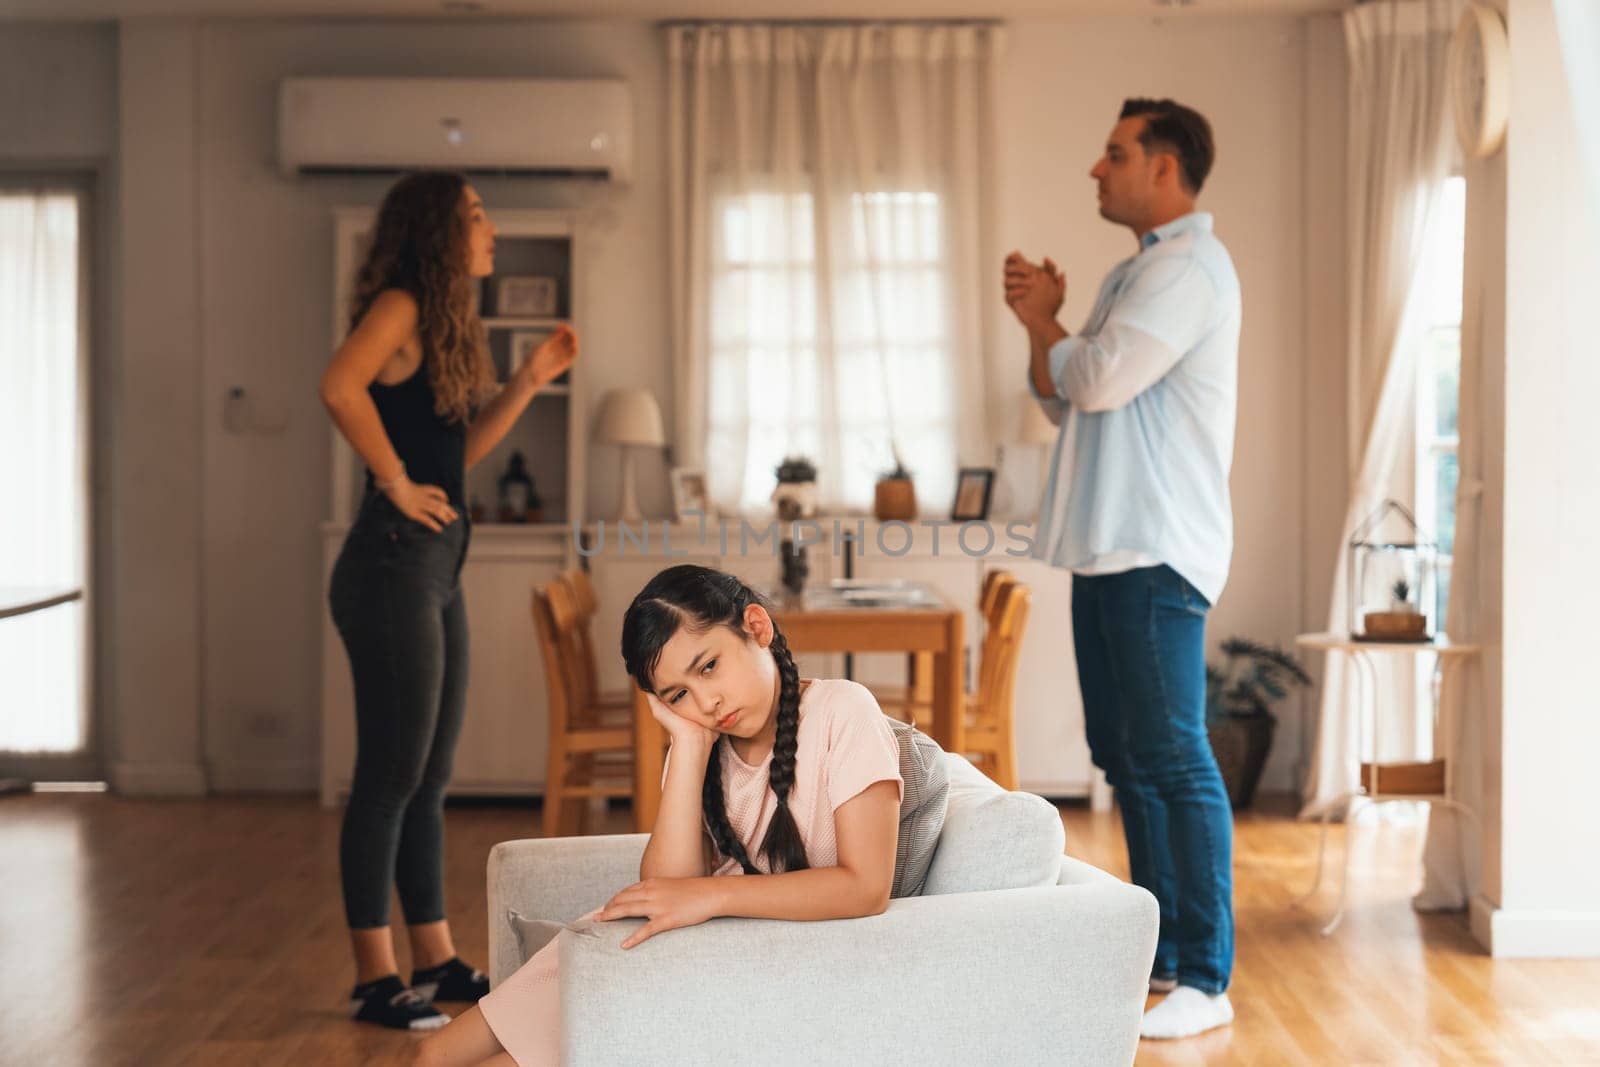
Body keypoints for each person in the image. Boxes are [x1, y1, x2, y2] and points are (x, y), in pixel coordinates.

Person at [416, 564, 947, 1066]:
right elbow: (667, 886)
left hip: (719, 965)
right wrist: (689, 744)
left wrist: (710, 895)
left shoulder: (844, 711)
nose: (708, 701)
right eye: (679, 695)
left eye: (709, 667)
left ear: (756, 627)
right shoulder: (704, 740)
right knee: (431, 1056)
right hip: (655, 948)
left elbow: (865, 887)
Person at [1003, 97, 1240, 1041]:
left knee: (1173, 755)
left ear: (1166, 168)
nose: (1096, 171)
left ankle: (1208, 972)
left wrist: (1057, 326)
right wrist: (1041, 324)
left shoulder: (1186, 270)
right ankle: (1169, 953)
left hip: (1154, 547)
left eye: (1114, 155)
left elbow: (1093, 378)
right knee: (1127, 757)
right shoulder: (1136, 272)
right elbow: (1065, 398)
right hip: (1111, 547)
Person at [320, 171, 578, 1031]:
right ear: (438, 230)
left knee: (429, 776)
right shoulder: (398, 303)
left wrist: (533, 376)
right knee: (391, 774)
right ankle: (372, 976)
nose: (489, 228)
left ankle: (432, 957)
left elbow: (457, 450)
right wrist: (392, 481)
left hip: (434, 565)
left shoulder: (440, 323)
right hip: (391, 563)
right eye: (474, 215)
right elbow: (338, 385)